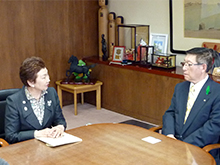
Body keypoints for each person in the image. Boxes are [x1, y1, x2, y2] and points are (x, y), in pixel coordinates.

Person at [162, 47, 220, 162]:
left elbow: (213, 128)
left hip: (200, 149)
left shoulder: (217, 92)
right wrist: (169, 134)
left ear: (203, 67)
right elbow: (170, 113)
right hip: (173, 144)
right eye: (184, 63)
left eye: (189, 64)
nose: (184, 68)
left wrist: (183, 145)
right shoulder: (180, 88)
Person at [5, 57, 67, 144]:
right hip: (26, 149)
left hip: (50, 144)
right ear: (31, 82)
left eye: (47, 75)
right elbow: (11, 136)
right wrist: (37, 134)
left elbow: (60, 120)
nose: (48, 79)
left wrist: (60, 127)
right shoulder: (14, 101)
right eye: (43, 77)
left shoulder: (51, 93)